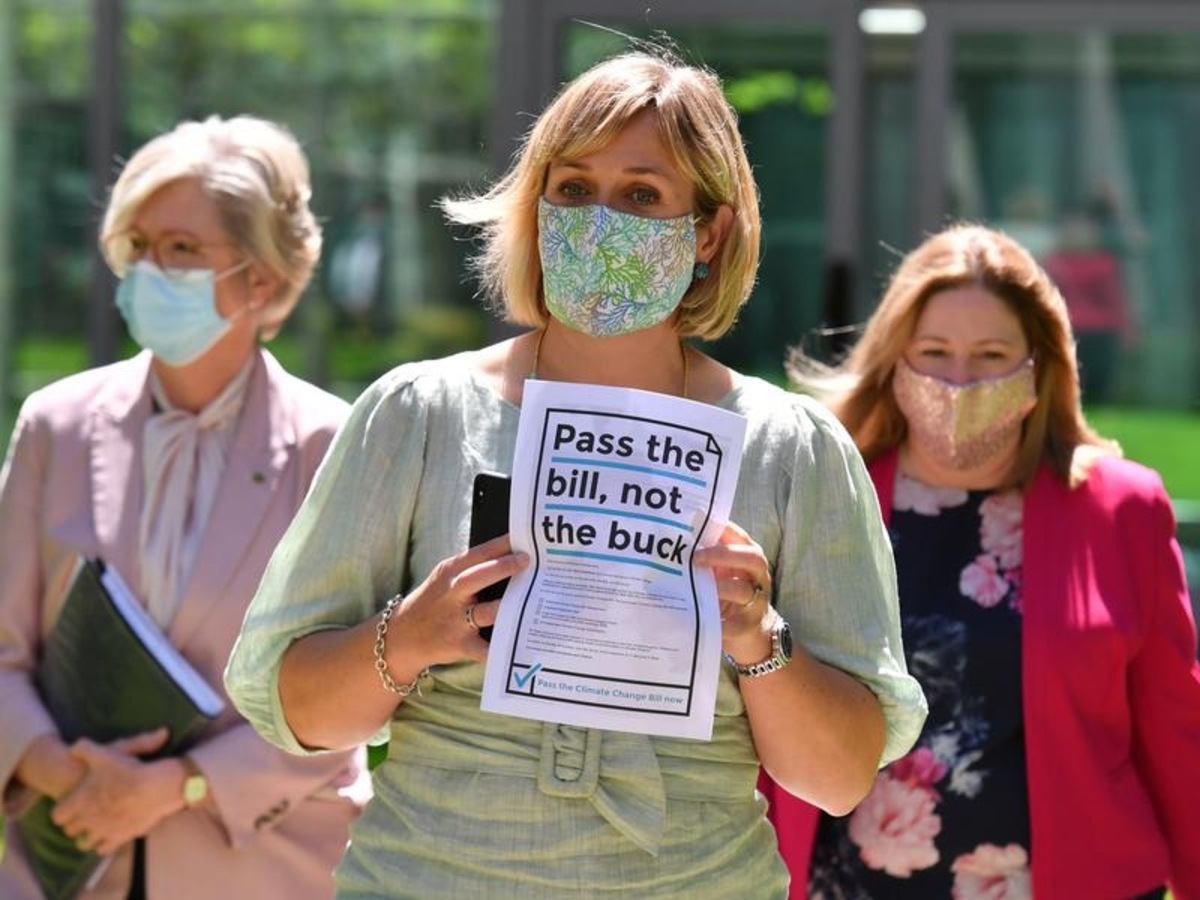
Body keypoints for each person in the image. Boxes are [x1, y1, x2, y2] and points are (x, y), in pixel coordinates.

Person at [223, 49, 926, 899]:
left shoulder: (791, 449)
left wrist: (758, 639)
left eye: (642, 195)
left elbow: (840, 778)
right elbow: (295, 714)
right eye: (573, 188)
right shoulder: (420, 414)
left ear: (709, 232)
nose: (599, 221)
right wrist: (407, 637)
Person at [0, 115, 369, 899]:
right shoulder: (54, 426)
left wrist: (178, 785)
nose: (148, 270)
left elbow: (347, 692)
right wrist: (62, 773)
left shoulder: (331, 445)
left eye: (180, 248)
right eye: (137, 245)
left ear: (260, 277)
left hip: (259, 871)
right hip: (62, 859)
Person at [777, 223, 1200, 899]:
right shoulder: (818, 493)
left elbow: (1176, 734)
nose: (958, 380)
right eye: (934, 352)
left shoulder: (1125, 509)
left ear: (1039, 366)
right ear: (895, 362)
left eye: (991, 355)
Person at [1042, 208, 1135, 404]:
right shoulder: (1055, 262)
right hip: (1068, 328)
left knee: (1100, 380)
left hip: (1102, 331)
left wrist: (1126, 330)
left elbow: (1116, 300)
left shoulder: (1104, 264)